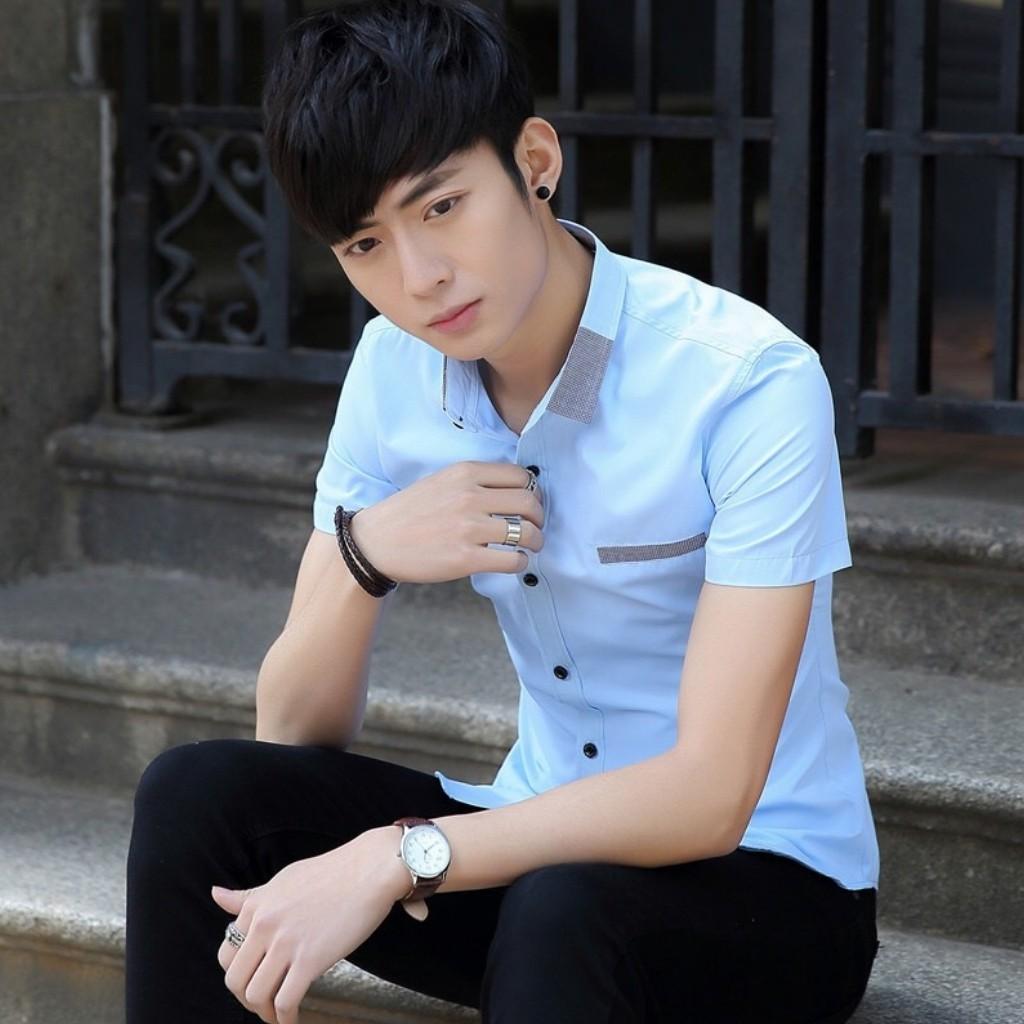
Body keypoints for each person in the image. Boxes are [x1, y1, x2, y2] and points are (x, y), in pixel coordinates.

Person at [124, 1, 881, 1022]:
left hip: (770, 882)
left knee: (564, 910)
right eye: (364, 244)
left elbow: (710, 793)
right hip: (529, 850)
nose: (419, 279)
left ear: (534, 161)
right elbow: (291, 737)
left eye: (441, 207)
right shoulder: (392, 369)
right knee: (198, 796)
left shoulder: (745, 381)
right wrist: (361, 555)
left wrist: (400, 856)